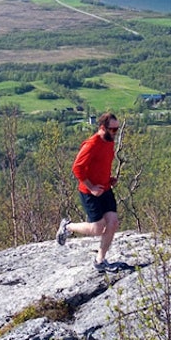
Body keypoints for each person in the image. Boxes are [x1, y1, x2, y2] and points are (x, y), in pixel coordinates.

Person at [56, 112, 121, 272]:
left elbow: (100, 165)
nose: (115, 133)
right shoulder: (91, 144)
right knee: (97, 229)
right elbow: (77, 168)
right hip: (89, 192)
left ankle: (100, 260)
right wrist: (91, 187)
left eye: (117, 129)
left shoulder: (109, 142)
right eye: (113, 129)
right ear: (102, 128)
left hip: (105, 189)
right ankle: (68, 227)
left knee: (113, 223)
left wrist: (108, 179)